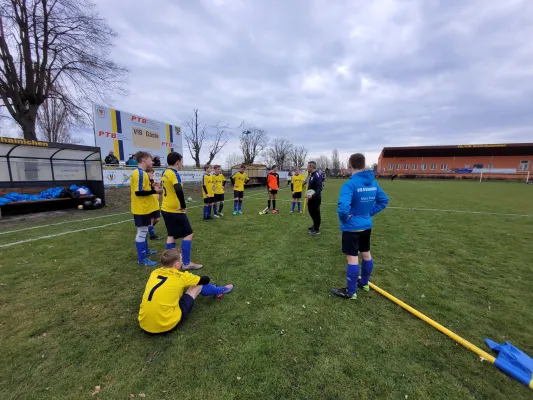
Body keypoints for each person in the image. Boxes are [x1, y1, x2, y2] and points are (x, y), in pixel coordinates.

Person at [331, 153, 389, 300]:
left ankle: (351, 292)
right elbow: (383, 201)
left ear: (350, 165)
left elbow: (343, 207)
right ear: (364, 165)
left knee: (352, 258)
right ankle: (364, 283)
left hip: (352, 228)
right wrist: (367, 214)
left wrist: (345, 219)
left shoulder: (350, 184)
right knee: (366, 254)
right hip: (366, 227)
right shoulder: (372, 182)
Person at [138, 248, 233, 334]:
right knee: (197, 285)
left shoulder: (154, 273)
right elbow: (205, 280)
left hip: (144, 323)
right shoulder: (181, 277)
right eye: (181, 260)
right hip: (166, 326)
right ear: (176, 264)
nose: (182, 261)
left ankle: (216, 291)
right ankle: (220, 290)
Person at [160, 152, 203, 270]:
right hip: (175, 210)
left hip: (165, 208)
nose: (181, 164)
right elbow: (178, 188)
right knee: (188, 234)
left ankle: (170, 264)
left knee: (171, 235)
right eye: (181, 161)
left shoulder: (164, 172)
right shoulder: (173, 173)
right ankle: (186, 263)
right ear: (178, 161)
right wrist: (183, 205)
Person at [131, 151, 162, 267]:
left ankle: (146, 250)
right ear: (144, 160)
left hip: (145, 207)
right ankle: (142, 259)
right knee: (142, 231)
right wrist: (155, 191)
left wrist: (152, 186)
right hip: (141, 208)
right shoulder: (139, 173)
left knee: (144, 230)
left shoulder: (142, 173)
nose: (152, 162)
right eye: (150, 159)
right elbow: (138, 192)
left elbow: (144, 188)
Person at [305, 161, 323, 236]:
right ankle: (314, 225)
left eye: (307, 167)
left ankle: (317, 229)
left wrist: (313, 196)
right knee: (311, 212)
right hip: (311, 197)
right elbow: (311, 188)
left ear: (311, 167)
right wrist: (307, 194)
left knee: (316, 213)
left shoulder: (317, 176)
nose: (307, 168)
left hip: (315, 198)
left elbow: (319, 188)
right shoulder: (312, 175)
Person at [145, 167, 162, 241]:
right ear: (147, 173)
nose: (152, 175)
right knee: (151, 219)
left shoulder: (151, 181)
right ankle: (152, 235)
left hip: (155, 203)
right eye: (151, 173)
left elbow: (155, 191)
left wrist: (159, 189)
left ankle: (148, 229)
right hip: (150, 204)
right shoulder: (146, 181)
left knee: (157, 219)